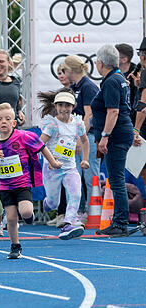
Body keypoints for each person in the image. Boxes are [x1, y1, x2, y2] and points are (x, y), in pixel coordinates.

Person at [0, 103, 61, 259]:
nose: (4, 122)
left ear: (14, 122)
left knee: (26, 212)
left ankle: (28, 216)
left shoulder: (23, 136)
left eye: (7, 119)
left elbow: (41, 147)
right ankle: (15, 246)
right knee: (11, 218)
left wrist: (53, 162)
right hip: (5, 187)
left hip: (22, 184)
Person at [91, 44, 139, 237]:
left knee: (116, 179)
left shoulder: (111, 81)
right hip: (122, 132)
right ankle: (120, 220)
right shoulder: (118, 78)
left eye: (96, 61)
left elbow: (113, 111)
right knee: (116, 178)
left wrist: (104, 136)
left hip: (116, 134)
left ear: (101, 63)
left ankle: (120, 222)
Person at [37, 90, 89, 240]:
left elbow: (85, 141)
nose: (64, 108)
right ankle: (47, 203)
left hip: (70, 167)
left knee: (76, 193)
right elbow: (40, 144)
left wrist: (84, 159)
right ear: (55, 106)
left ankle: (68, 223)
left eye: (67, 105)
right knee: (54, 203)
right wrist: (51, 159)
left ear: (73, 107)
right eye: (60, 105)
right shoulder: (52, 125)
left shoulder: (78, 123)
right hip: (52, 168)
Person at [64, 54, 100, 214]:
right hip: (76, 137)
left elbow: (89, 115)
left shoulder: (88, 86)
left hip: (88, 137)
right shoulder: (75, 87)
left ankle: (94, 211)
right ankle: (76, 211)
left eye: (64, 70)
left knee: (90, 175)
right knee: (74, 176)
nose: (64, 73)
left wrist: (80, 138)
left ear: (71, 70)